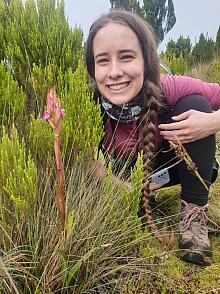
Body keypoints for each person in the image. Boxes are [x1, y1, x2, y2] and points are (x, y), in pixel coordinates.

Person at [85, 9, 220, 266]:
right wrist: (114, 183)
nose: (114, 72)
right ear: (93, 68)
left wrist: (212, 121)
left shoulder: (169, 87)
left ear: (146, 61)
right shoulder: (85, 105)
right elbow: (76, 155)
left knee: (196, 104)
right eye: (103, 60)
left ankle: (193, 221)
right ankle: (140, 202)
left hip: (170, 169)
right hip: (121, 182)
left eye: (126, 57)